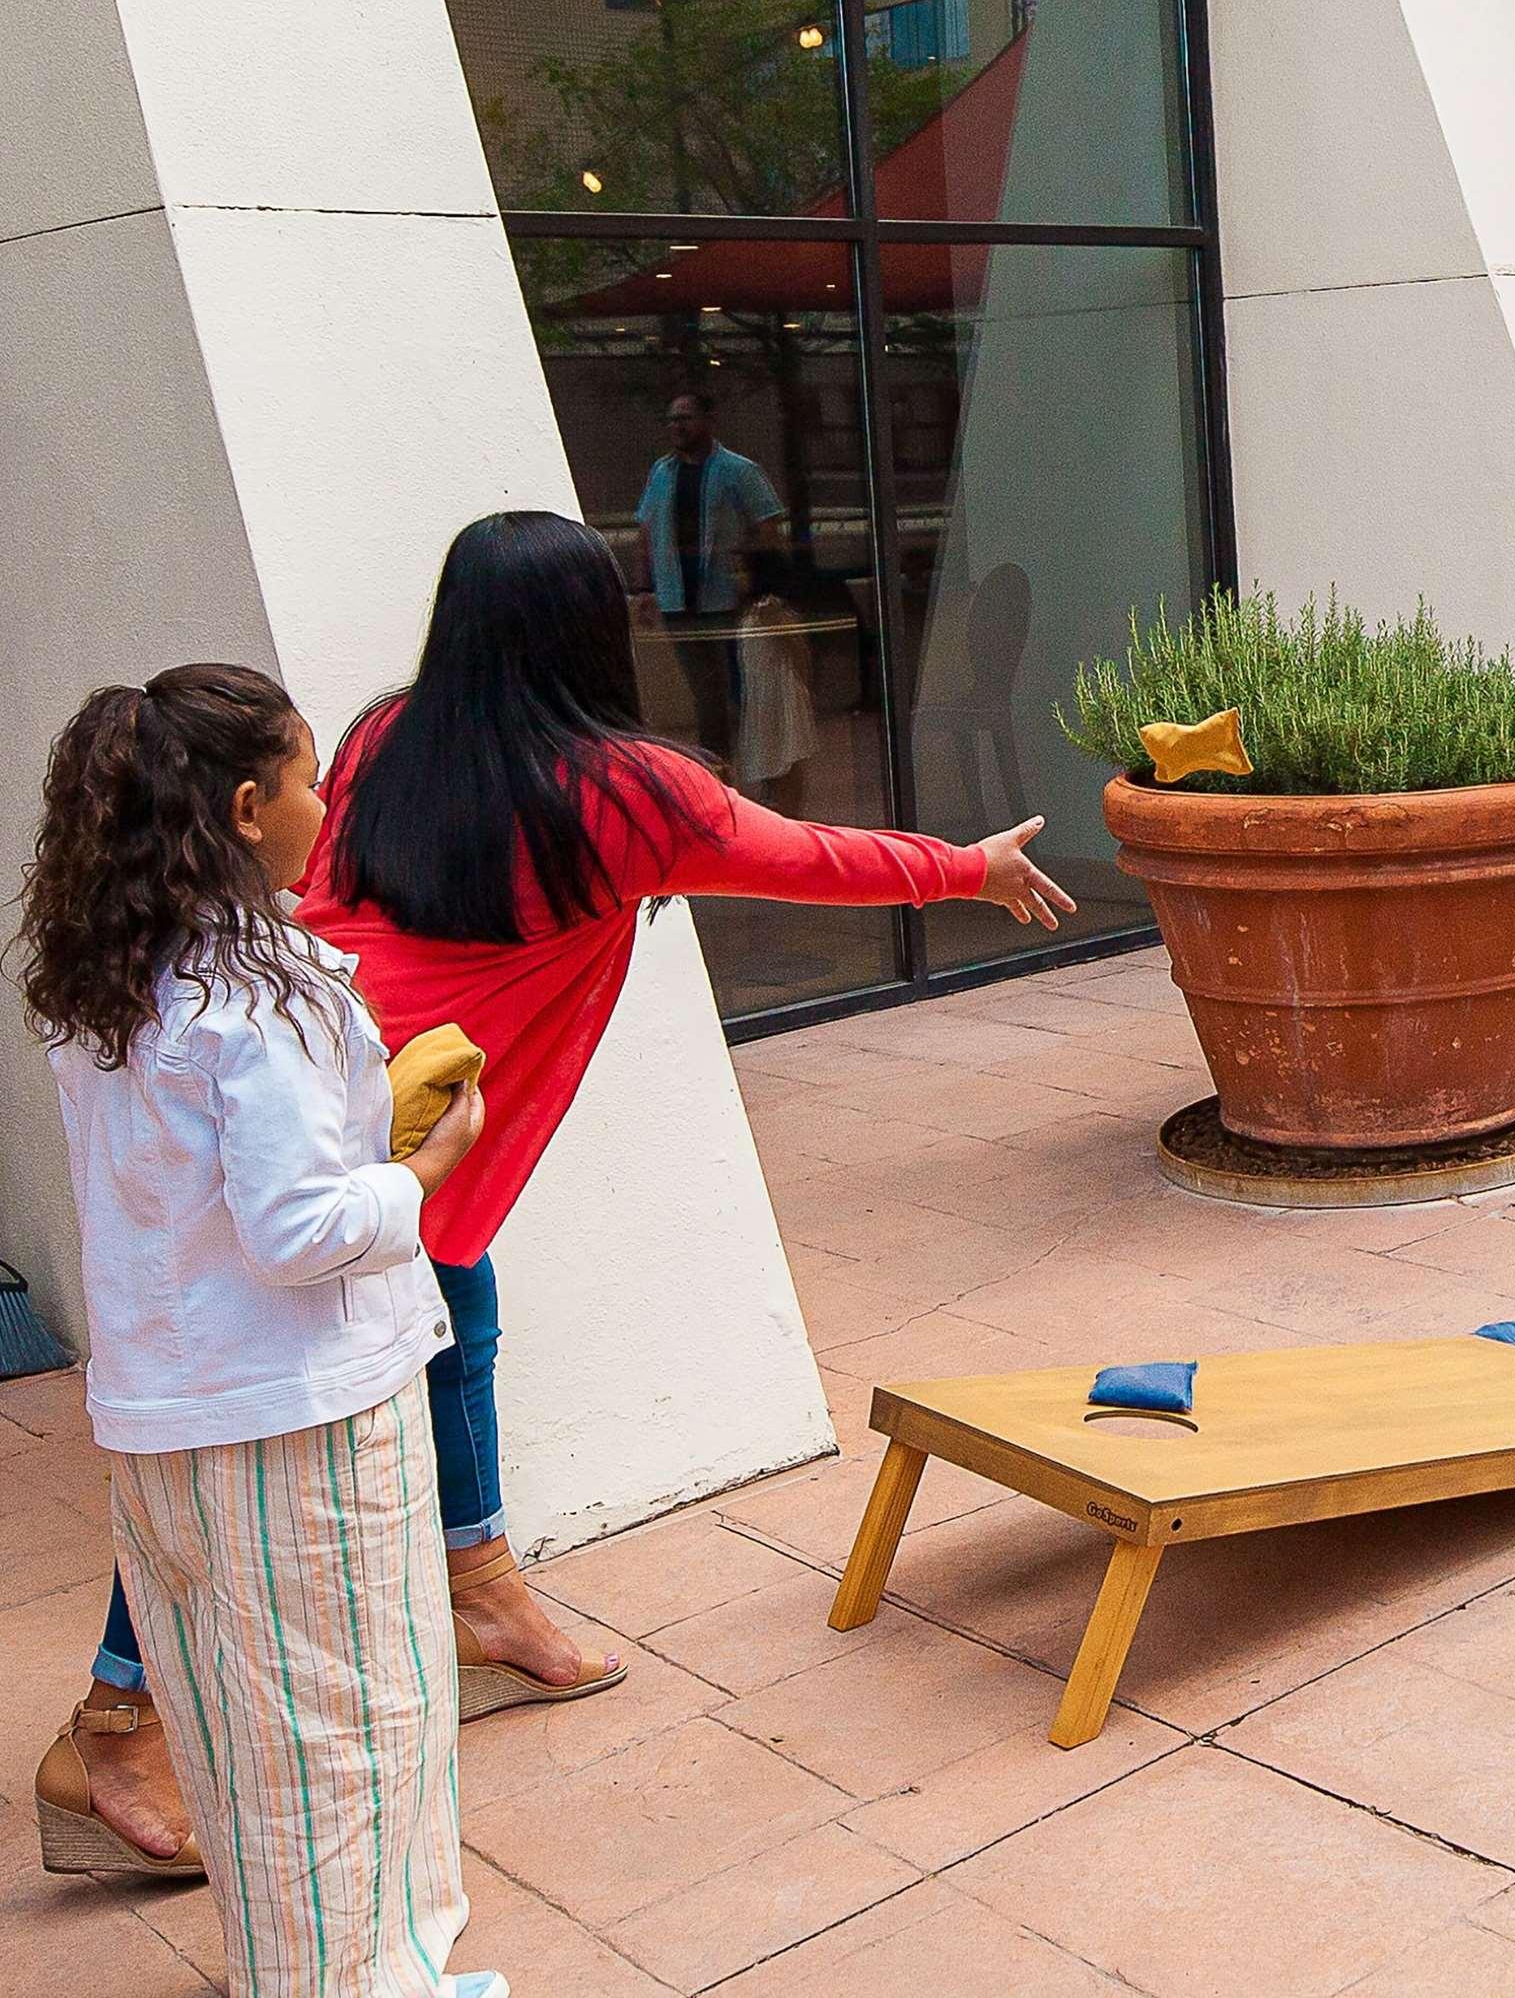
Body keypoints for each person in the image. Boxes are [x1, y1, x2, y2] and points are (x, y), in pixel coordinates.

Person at [48, 509, 1072, 1879]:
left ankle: (479, 1586)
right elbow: (805, 856)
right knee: (241, 1437)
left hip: (333, 1071)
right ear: (598, 627)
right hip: (390, 1117)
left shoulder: (383, 734)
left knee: (457, 1319)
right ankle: (116, 1719)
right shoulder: (628, 790)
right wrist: (969, 867)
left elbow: (330, 897)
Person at [18, 664, 509, 1997]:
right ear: (244, 807)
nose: (324, 804)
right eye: (307, 780)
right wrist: (423, 1169)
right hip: (302, 1422)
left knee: (242, 1739)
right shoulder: (261, 994)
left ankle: (313, 1970)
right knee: (352, 1728)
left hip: (167, 1423)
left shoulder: (112, 977)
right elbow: (296, 1231)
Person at [637, 392, 785, 773]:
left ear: (707, 420)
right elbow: (647, 529)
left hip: (725, 598)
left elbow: (769, 526)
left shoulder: (738, 470)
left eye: (685, 418)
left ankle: (749, 765)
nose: (677, 426)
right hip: (677, 599)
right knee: (704, 689)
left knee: (738, 686)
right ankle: (718, 766)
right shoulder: (661, 472)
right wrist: (646, 588)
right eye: (672, 419)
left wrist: (746, 566)